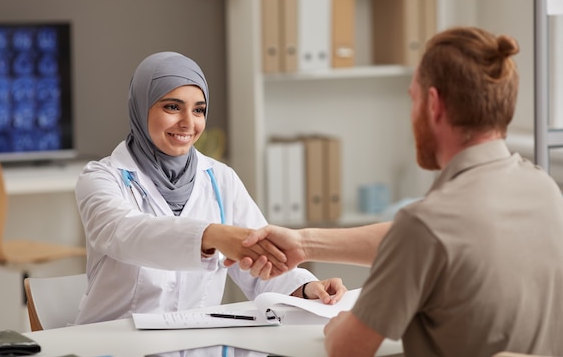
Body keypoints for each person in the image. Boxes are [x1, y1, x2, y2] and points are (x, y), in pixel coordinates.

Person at [234, 27, 563, 357]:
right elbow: (433, 243)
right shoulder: (546, 192)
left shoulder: (427, 225)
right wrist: (305, 244)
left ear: (433, 104)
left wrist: (339, 325)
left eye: (413, 98)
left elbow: (347, 349)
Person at [73, 51, 346, 324]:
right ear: (141, 107)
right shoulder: (100, 177)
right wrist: (211, 235)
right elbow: (127, 233)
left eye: (199, 110)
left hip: (194, 343)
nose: (188, 123)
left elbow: (259, 266)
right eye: (172, 107)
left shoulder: (219, 178)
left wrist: (307, 288)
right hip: (114, 344)